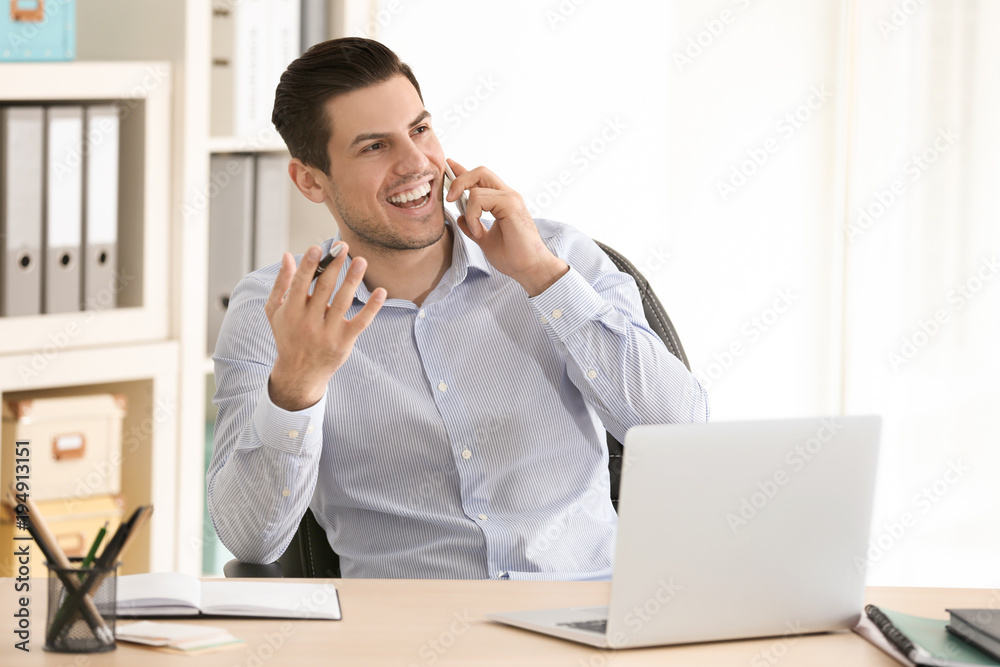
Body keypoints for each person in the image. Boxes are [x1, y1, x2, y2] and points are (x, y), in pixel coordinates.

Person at [208, 37, 709, 580]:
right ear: (310, 179)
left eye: (420, 130)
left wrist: (543, 279)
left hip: (580, 621)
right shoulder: (276, 309)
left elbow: (681, 429)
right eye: (374, 147)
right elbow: (251, 541)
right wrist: (296, 387)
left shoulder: (558, 257)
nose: (415, 163)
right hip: (402, 636)